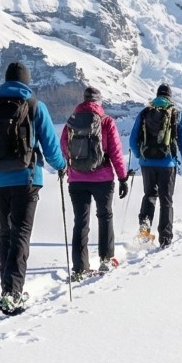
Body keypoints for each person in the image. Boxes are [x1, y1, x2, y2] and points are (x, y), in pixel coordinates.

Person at [0, 62, 66, 314]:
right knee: (20, 233)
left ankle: (6, 288)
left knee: (5, 233)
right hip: (27, 179)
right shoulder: (34, 106)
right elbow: (50, 145)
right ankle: (13, 292)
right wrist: (61, 165)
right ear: (26, 82)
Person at [61, 85, 130, 278]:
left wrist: (73, 167)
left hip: (76, 180)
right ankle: (106, 259)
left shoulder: (71, 122)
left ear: (83, 100)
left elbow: (64, 146)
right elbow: (116, 152)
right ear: (99, 102)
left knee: (80, 222)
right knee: (105, 216)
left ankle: (79, 267)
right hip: (103, 178)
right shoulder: (106, 121)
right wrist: (123, 177)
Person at [130, 83, 182, 249]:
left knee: (149, 195)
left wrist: (140, 156)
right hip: (167, 163)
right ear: (169, 96)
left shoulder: (145, 112)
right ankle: (165, 239)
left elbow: (133, 139)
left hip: (147, 163)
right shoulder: (176, 113)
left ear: (157, 96)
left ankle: (144, 232)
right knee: (166, 200)